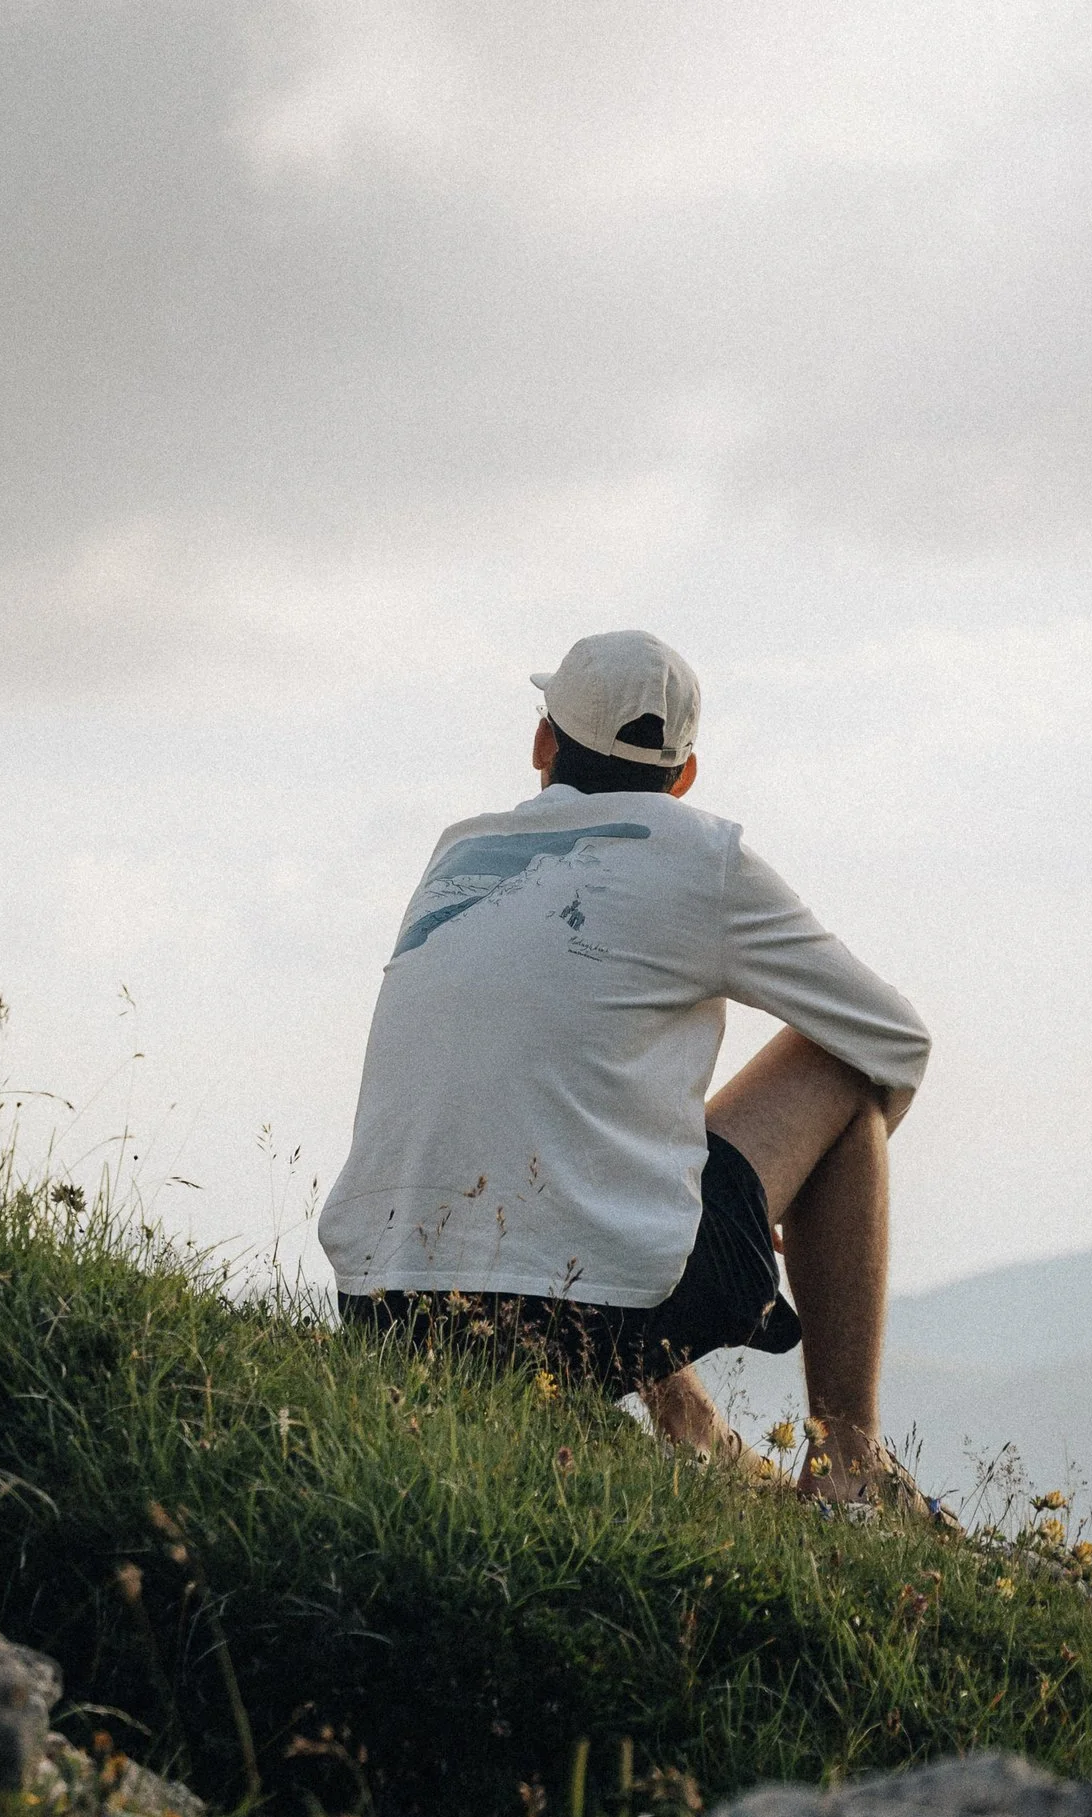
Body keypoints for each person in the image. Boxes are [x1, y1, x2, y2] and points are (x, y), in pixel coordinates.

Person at [321, 628, 929, 1491]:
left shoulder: (459, 852)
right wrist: (813, 1188)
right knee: (844, 1070)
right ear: (683, 778)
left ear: (542, 743)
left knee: (584, 1147)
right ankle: (850, 1460)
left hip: (384, 1313)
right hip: (577, 1324)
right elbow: (894, 1040)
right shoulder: (701, 856)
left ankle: (692, 1426)